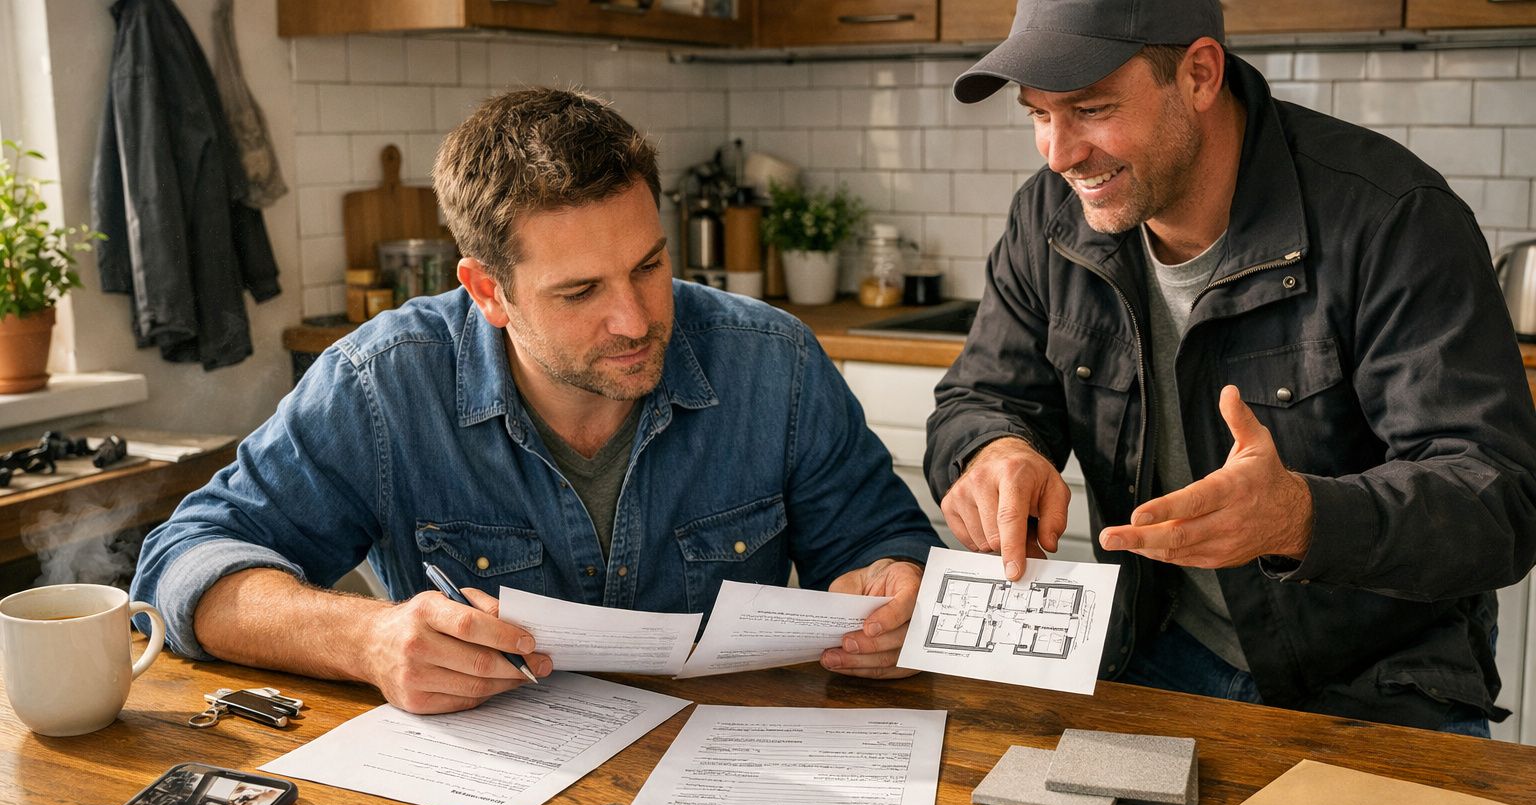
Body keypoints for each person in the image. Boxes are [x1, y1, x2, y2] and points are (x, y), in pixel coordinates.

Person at [132, 88, 940, 715]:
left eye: (650, 266)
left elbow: (883, 544)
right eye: (581, 290)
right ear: (489, 291)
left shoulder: (775, 363)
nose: (636, 320)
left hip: (739, 785)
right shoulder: (383, 384)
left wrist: (895, 593)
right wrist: (369, 638)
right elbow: (184, 563)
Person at [926, 0, 1536, 734]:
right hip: (1156, 656)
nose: (1058, 154)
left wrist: (1302, 517)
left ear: (1200, 74)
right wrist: (994, 449)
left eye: (1090, 109)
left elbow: (1498, 498)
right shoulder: (1049, 218)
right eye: (1037, 115)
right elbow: (978, 396)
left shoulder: (1393, 219)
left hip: (1377, 683)